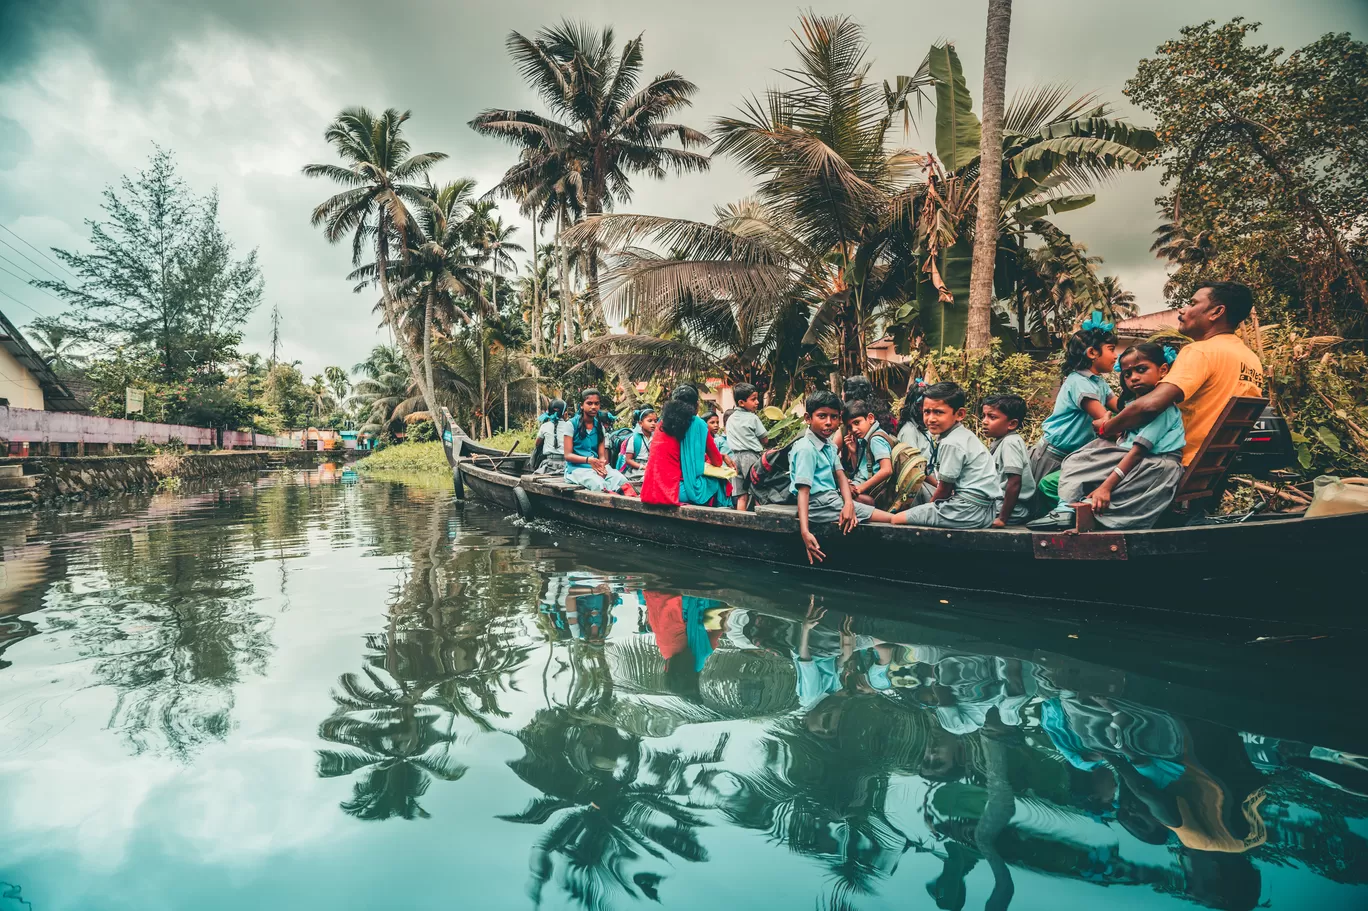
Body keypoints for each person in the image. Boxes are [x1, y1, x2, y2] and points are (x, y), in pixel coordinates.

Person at [1097, 282, 1264, 469]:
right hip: (1215, 466)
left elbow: (1150, 406)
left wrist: (1107, 428)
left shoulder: (1201, 351)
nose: (1182, 310)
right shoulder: (1251, 359)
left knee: (1062, 480)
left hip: (1171, 462)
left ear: (1216, 312)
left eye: (1192, 304)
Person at [1030, 343, 1186, 530]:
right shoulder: (1081, 382)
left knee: (1086, 471)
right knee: (1081, 458)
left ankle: (1074, 510)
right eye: (1128, 374)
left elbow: (1137, 449)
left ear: (1163, 370)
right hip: (1122, 456)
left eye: (1142, 370)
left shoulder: (1160, 407)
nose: (1134, 378)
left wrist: (1106, 487)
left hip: (1149, 463)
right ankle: (1066, 509)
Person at [793, 391, 909, 565]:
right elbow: (803, 491)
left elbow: (840, 475)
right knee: (892, 519)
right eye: (822, 416)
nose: (828, 423)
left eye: (833, 417)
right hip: (819, 504)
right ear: (808, 418)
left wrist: (848, 504)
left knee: (869, 506)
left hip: (833, 499)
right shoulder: (806, 449)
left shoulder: (829, 445)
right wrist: (805, 531)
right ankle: (928, 519)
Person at [1029, 315, 1120, 487]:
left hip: (1071, 455)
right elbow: (1106, 421)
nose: (1116, 356)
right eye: (1111, 349)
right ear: (1092, 353)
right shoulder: (1079, 382)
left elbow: (1119, 405)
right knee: (1039, 500)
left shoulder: (1098, 381)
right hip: (1053, 455)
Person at [900, 383, 1003, 529]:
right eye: (926, 412)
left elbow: (944, 489)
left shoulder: (951, 442)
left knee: (897, 519)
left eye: (938, 412)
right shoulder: (962, 434)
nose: (931, 419)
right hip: (985, 510)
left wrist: (929, 508)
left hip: (966, 510)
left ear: (960, 414)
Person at [641, 384, 732, 507]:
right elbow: (717, 462)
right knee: (720, 482)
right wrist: (720, 457)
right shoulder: (698, 424)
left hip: (652, 490)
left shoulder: (662, 424)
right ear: (696, 405)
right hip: (677, 492)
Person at [562, 388, 635, 495]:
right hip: (577, 469)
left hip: (596, 467)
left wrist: (602, 467)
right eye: (589, 403)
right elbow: (567, 455)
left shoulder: (599, 426)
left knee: (621, 480)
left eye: (596, 403)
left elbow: (601, 456)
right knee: (598, 484)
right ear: (582, 405)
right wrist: (589, 460)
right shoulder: (571, 425)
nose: (593, 407)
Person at [981, 393, 1035, 526]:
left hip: (1013, 509)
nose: (984, 421)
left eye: (992, 417)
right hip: (1000, 504)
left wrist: (1002, 519)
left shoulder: (1010, 443)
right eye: (984, 416)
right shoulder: (1002, 441)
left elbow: (1015, 482)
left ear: (1012, 424)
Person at [843, 399, 895, 506]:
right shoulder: (864, 438)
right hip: (860, 483)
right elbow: (860, 469)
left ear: (870, 418)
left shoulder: (876, 439)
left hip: (870, 489)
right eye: (849, 427)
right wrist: (853, 452)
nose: (854, 429)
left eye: (857, 423)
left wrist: (860, 488)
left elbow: (887, 470)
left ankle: (870, 503)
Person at [727, 382, 769, 512]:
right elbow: (765, 439)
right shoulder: (753, 418)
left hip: (735, 459)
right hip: (751, 458)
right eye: (753, 399)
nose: (757, 402)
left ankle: (740, 522)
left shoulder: (730, 419)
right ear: (741, 402)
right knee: (758, 491)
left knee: (741, 495)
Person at [617, 406, 657, 486]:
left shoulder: (656, 437)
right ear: (640, 423)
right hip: (637, 469)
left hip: (652, 466)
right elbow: (628, 460)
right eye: (649, 421)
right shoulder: (634, 439)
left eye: (655, 421)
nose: (653, 423)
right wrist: (643, 467)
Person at [532, 399, 572, 475]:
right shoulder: (570, 426)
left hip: (549, 465)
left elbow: (537, 444)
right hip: (567, 465)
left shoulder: (544, 426)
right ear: (565, 414)